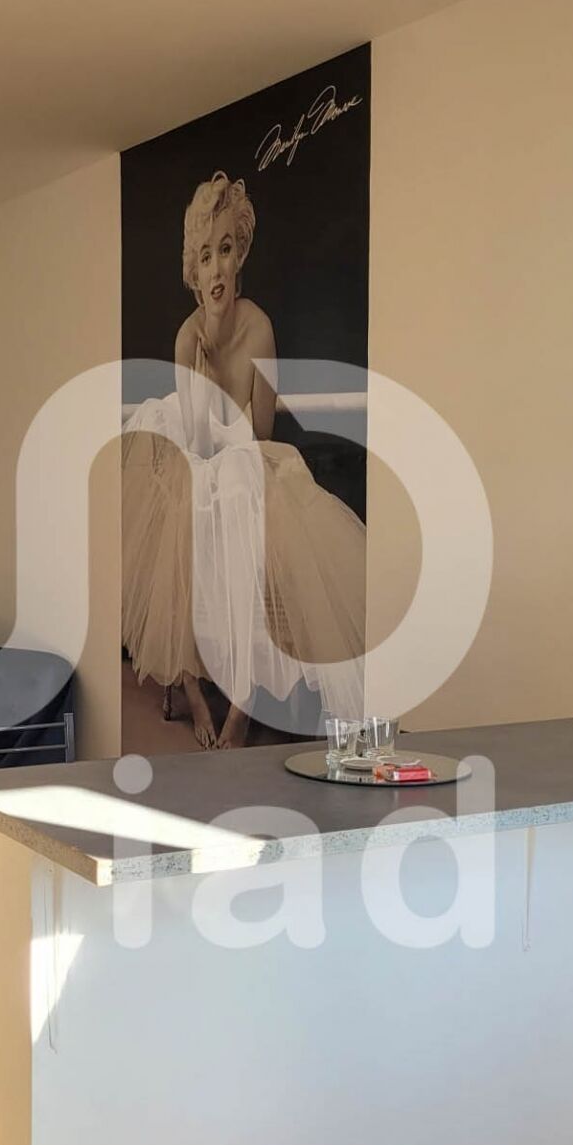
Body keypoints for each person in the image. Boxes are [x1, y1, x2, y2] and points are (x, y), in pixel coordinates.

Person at [121, 171, 365, 748]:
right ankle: (195, 691)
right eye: (206, 256)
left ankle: (242, 704)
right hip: (198, 464)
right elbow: (196, 443)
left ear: (241, 256)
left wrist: (227, 443)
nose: (217, 270)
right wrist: (204, 367)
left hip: (245, 465)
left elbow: (259, 435)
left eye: (226, 251)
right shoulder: (187, 339)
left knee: (238, 491)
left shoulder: (259, 328)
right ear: (194, 271)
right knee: (190, 518)